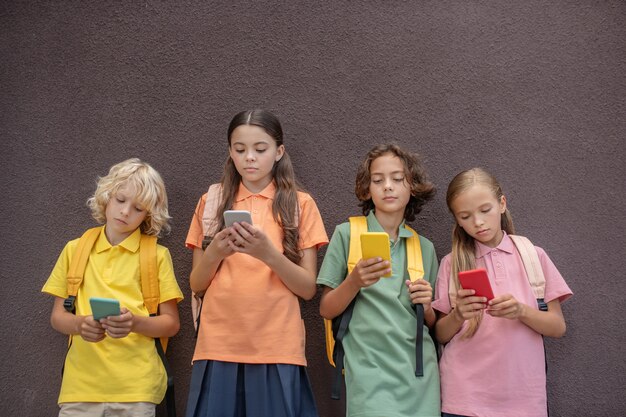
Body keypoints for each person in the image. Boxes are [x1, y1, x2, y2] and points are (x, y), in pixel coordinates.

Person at [184, 109, 328, 417]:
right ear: (230, 153)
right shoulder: (210, 202)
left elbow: (307, 288)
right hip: (218, 345)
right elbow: (196, 284)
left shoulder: (300, 204)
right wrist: (216, 252)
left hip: (277, 346)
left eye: (260, 149)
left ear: (279, 152)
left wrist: (268, 254)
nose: (250, 157)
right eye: (240, 149)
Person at [42, 158, 183, 417]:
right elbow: (58, 317)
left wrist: (134, 323)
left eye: (138, 208)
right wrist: (80, 325)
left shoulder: (156, 256)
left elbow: (171, 324)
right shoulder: (75, 250)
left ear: (148, 215)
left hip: (136, 389)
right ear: (106, 197)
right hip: (80, 387)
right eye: (120, 200)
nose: (126, 212)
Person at [432, 167, 573, 417]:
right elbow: (441, 334)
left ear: (502, 203)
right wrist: (458, 315)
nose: (477, 222)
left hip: (524, 400)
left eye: (485, 210)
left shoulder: (533, 255)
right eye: (465, 216)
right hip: (464, 399)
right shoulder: (451, 263)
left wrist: (521, 311)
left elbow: (557, 327)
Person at [317, 143, 440, 417]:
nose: (388, 186)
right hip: (368, 374)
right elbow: (326, 309)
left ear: (413, 188)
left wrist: (428, 306)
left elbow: (432, 324)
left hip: (420, 375)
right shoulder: (347, 234)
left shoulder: (425, 248)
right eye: (378, 180)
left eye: (397, 179)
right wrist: (354, 281)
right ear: (366, 189)